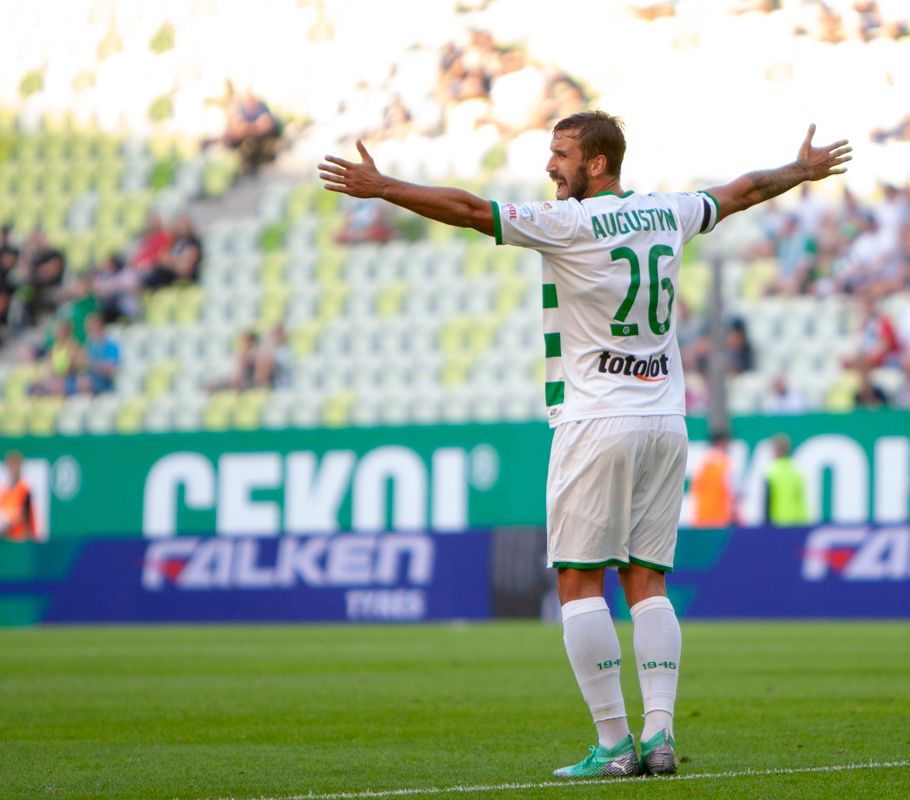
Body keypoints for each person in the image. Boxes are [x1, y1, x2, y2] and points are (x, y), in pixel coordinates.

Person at [319, 111, 850, 779]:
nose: (551, 167)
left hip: (596, 419)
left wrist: (384, 187)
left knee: (578, 580)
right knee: (646, 579)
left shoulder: (567, 223)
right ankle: (659, 734)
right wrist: (801, 170)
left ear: (597, 163)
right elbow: (741, 191)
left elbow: (466, 209)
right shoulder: (668, 212)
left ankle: (614, 745)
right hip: (666, 419)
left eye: (561, 154)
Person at [764, 435, 808, 527]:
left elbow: (768, 501)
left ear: (776, 450)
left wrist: (766, 523)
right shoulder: (796, 471)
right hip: (797, 521)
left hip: (778, 521)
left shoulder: (772, 472)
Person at [0, 451, 38, 541]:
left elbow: (27, 522)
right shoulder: (4, 493)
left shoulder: (24, 491)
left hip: (20, 542)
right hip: (7, 543)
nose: (13, 468)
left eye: (16, 464)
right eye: (11, 465)